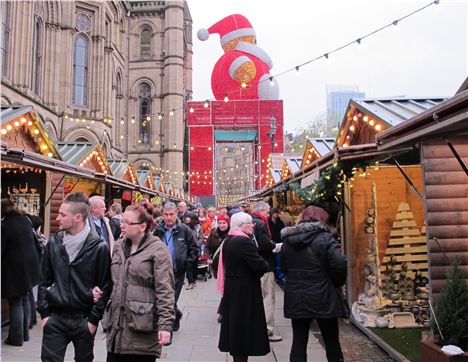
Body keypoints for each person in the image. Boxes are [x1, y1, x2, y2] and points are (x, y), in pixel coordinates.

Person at [37, 192, 111, 362]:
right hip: (56, 317)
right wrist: (45, 314)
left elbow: (105, 285)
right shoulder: (54, 243)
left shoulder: (98, 247)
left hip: (83, 319)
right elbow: (43, 280)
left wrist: (93, 319)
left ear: (78, 217)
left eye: (63, 215)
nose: (57, 218)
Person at [101, 202, 175, 362]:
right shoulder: (119, 245)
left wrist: (165, 325)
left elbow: (165, 290)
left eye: (128, 222)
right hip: (116, 330)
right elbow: (112, 281)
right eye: (122, 221)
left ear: (142, 227)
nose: (122, 225)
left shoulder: (158, 250)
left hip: (142, 328)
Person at [281, 205, 347, 362]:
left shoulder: (288, 241)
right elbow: (340, 263)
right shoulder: (325, 238)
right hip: (323, 296)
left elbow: (284, 268)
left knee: (299, 340)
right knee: (331, 340)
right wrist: (335, 283)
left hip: (297, 296)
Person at [218, 212, 270, 362]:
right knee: (243, 328)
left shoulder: (230, 239)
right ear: (241, 225)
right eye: (249, 223)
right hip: (244, 291)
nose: (253, 225)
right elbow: (259, 265)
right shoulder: (243, 242)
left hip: (234, 289)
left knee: (236, 327)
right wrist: (265, 263)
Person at [1, 198, 41, 346]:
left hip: (14, 270)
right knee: (24, 298)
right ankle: (25, 334)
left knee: (15, 302)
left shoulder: (4, 226)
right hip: (29, 267)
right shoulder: (24, 220)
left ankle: (16, 338)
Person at [153, 202, 198, 332]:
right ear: (162, 215)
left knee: (171, 298)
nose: (168, 217)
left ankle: (169, 322)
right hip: (160, 271)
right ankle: (175, 314)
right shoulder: (158, 230)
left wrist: (186, 263)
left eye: (171, 214)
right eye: (166, 214)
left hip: (177, 271)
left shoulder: (184, 230)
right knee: (162, 297)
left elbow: (194, 249)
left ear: (176, 214)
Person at [251, 201, 282, 342]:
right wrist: (275, 246)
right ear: (261, 211)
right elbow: (264, 244)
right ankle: (267, 330)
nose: (268, 214)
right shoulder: (261, 223)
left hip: (254, 265)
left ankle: (255, 327)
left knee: (258, 297)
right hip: (265, 264)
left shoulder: (250, 221)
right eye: (267, 212)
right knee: (268, 297)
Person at [205, 213, 230, 322]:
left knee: (226, 289)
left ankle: (223, 312)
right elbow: (207, 248)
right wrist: (207, 257)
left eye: (224, 223)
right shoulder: (213, 233)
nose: (222, 225)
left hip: (229, 265)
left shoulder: (232, 234)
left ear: (228, 223)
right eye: (220, 223)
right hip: (217, 266)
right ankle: (225, 311)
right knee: (225, 289)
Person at [184, 212, 204, 290]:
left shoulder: (198, 227)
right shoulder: (184, 227)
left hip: (195, 249)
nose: (187, 218)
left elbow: (201, 238)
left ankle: (194, 281)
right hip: (187, 249)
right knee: (189, 265)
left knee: (195, 266)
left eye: (188, 217)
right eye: (186, 217)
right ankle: (190, 282)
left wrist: (196, 245)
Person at [268, 208, 287, 283]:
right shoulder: (268, 222)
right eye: (274, 213)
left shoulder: (280, 221)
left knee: (279, 260)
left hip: (279, 243)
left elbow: (283, 230)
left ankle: (280, 276)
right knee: (275, 260)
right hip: (272, 243)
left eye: (277, 213)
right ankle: (277, 275)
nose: (276, 214)